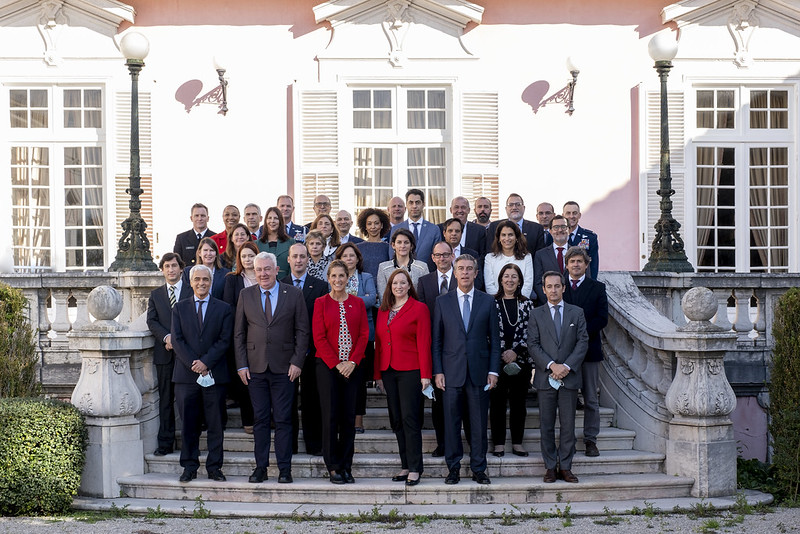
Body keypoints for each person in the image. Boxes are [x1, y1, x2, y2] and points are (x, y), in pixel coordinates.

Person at [234, 252, 310, 484]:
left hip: (285, 368)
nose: (263, 274)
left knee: (285, 420)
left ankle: (284, 469)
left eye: (267, 269)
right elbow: (239, 333)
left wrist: (297, 362)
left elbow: (302, 331)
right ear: (253, 272)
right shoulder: (245, 295)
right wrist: (241, 365)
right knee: (260, 420)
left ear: (277, 270)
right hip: (255, 368)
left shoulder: (294, 294)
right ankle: (261, 468)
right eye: (259, 270)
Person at [432, 254, 501, 485]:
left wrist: (494, 371)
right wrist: (438, 371)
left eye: (469, 269)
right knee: (451, 424)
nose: (464, 273)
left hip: (479, 373)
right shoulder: (443, 302)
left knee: (479, 424)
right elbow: (437, 341)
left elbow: (495, 340)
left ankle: (479, 468)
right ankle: (453, 468)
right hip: (451, 373)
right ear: (454, 271)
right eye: (460, 268)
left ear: (476, 273)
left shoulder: (488, 301)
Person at [171, 264, 233, 483]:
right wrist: (193, 364)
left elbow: (225, 340)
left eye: (205, 279)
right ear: (190, 282)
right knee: (189, 425)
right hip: (186, 377)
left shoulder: (223, 308)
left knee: (216, 424)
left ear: (210, 281)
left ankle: (215, 467)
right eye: (197, 279)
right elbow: (177, 340)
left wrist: (206, 362)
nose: (201, 283)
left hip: (214, 375)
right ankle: (189, 466)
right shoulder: (179, 308)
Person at [528, 270, 589, 484]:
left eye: (557, 286)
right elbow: (533, 344)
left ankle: (566, 466)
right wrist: (552, 365)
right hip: (546, 377)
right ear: (543, 290)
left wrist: (567, 366)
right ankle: (550, 467)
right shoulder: (536, 314)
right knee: (546, 424)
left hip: (569, 377)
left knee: (568, 424)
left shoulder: (576, 313)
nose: (553, 290)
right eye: (549, 287)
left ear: (564, 287)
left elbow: (582, 342)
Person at [313, 260, 369, 484]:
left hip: (353, 368)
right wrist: (338, 364)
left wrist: (352, 362)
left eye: (341, 276)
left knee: (349, 417)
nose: (337, 280)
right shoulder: (320, 303)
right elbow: (319, 338)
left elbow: (364, 334)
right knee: (330, 416)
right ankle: (333, 466)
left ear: (348, 278)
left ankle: (347, 465)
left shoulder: (357, 303)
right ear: (328, 279)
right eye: (333, 276)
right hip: (328, 367)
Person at [374, 269, 432, 487]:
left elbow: (424, 342)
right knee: (396, 420)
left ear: (409, 285)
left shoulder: (419, 309)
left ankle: (416, 468)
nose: (398, 286)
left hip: (411, 370)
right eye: (394, 283)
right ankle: (405, 465)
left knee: (410, 419)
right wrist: (377, 374)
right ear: (389, 287)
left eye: (402, 282)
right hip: (388, 371)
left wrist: (426, 374)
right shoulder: (383, 311)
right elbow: (379, 344)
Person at [281, 243, 328, 456]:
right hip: (285, 352)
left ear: (308, 259)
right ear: (288, 260)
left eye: (303, 256)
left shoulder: (319, 286)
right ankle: (289, 446)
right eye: (295, 256)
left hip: (312, 352)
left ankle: (314, 444)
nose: (299, 260)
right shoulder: (279, 285)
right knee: (288, 401)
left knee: (312, 400)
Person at [563, 246, 608, 458]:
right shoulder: (560, 287)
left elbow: (602, 318)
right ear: (567, 265)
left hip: (590, 350)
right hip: (565, 353)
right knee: (569, 399)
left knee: (590, 398)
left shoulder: (597, 288)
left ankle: (591, 439)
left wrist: (581, 332)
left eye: (580, 261)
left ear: (586, 264)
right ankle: (568, 440)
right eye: (572, 262)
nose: (576, 265)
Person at [146, 252, 193, 457]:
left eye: (174, 265)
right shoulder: (156, 295)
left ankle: (191, 442)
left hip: (187, 355)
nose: (171, 270)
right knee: (165, 400)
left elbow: (196, 319)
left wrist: (179, 341)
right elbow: (152, 321)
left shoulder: (192, 291)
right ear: (162, 270)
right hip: (164, 355)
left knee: (188, 400)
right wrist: (167, 338)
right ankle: (165, 443)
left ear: (181, 268)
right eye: (167, 266)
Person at [416, 241, 456, 457]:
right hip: (434, 347)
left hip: (458, 347)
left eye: (446, 255)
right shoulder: (424, 282)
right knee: (438, 401)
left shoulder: (462, 278)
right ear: (432, 258)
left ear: (453, 256)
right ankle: (442, 443)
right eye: (438, 255)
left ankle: (458, 441)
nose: (442, 259)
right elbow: (422, 314)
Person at [490, 263, 534, 458]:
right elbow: (487, 332)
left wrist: (515, 351)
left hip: (521, 361)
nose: (510, 280)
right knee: (497, 403)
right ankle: (498, 443)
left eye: (514, 276)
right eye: (506, 276)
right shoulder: (491, 303)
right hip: (496, 362)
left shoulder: (528, 304)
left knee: (518, 404)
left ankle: (517, 442)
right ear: (501, 279)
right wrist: (502, 353)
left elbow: (532, 332)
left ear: (519, 281)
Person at [335, 243, 377, 434]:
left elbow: (373, 298)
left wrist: (349, 301)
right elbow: (333, 299)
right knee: (340, 379)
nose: (349, 259)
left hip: (363, 335)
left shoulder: (366, 277)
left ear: (358, 259)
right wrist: (360, 299)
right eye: (345, 256)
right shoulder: (335, 279)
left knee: (358, 381)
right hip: (340, 336)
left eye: (352, 256)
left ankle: (358, 420)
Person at [222, 241, 260, 434]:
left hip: (262, 335)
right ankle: (248, 420)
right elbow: (229, 307)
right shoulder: (232, 279)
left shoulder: (264, 277)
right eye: (244, 256)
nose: (247, 259)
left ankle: (264, 418)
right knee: (246, 378)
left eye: (251, 256)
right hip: (242, 334)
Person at [391, 189, 441, 267]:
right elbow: (392, 256)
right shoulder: (396, 229)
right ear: (406, 205)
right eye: (411, 203)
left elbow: (438, 256)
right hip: (402, 274)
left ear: (423, 204)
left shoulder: (434, 229)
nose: (414, 206)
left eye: (417, 202)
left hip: (427, 274)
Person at [483, 221, 534, 298]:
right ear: (499, 238)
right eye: (503, 235)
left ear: (516, 237)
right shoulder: (490, 258)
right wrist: (502, 301)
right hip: (497, 303)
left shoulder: (526, 257)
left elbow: (528, 285)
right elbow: (490, 286)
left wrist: (516, 300)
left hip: (521, 303)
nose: (507, 238)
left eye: (510, 235)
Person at [376, 228, 429, 300]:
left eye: (406, 242)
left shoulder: (422, 267)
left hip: (416, 309)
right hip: (392, 309)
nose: (403, 246)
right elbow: (383, 296)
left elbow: (425, 295)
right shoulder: (383, 268)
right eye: (399, 242)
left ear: (411, 246)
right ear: (393, 245)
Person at [533, 215, 571, 305]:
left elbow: (585, 281)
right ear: (550, 231)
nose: (560, 230)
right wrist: (551, 302)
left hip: (573, 306)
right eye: (556, 227)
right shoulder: (540, 255)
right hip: (547, 306)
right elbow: (537, 283)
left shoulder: (578, 253)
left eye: (563, 227)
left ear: (569, 230)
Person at [440, 217, 483, 290]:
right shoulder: (437, 255)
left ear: (462, 233)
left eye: (457, 231)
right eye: (450, 231)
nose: (454, 234)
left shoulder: (472, 255)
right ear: (444, 233)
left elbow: (478, 281)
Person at [563, 201, 600, 279]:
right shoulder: (556, 236)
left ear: (579, 215)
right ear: (563, 215)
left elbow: (593, 265)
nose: (571, 216)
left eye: (574, 213)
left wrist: (592, 285)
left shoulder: (590, 237)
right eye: (568, 213)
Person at [257, 206, 296, 276]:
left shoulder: (291, 242)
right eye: (269, 218)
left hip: (285, 282)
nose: (272, 221)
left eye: (276, 218)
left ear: (280, 221)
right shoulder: (257, 244)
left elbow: (293, 266)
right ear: (265, 221)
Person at [355, 208, 391, 279]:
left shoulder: (388, 248)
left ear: (382, 225)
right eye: (369, 224)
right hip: (363, 286)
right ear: (365, 226)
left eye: (376, 223)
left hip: (384, 286)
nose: (373, 227)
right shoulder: (357, 248)